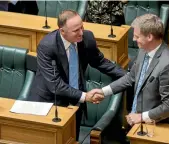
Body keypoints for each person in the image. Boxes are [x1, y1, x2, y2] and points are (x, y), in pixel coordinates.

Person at [28, 10, 126, 140]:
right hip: (51, 103)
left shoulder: (87, 38)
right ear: (62, 31)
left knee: (73, 139)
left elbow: (101, 62)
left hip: (76, 102)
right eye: (76, 30)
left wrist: (129, 76)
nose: (81, 33)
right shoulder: (47, 46)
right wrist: (85, 96)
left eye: (82, 27)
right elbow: (55, 85)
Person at [92, 14, 169, 126]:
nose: (134, 39)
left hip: (158, 125)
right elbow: (131, 77)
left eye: (137, 36)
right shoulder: (144, 50)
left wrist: (141, 117)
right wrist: (103, 91)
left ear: (149, 37)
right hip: (138, 121)